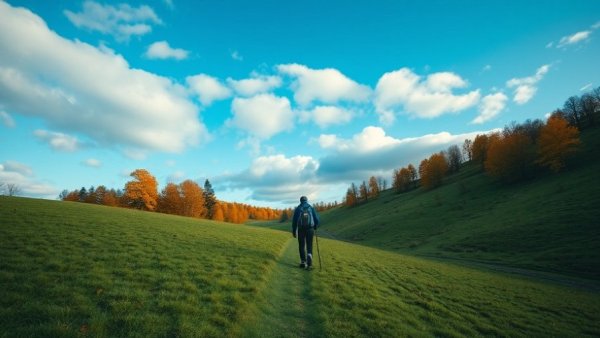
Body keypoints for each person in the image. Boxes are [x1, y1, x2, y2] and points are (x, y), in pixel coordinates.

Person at [292, 196, 320, 269]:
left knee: (301, 245)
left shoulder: (298, 209)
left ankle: (303, 262)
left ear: (300, 201)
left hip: (301, 229)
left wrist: (294, 231)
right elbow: (316, 219)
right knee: (309, 245)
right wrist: (316, 226)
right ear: (307, 200)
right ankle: (309, 262)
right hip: (310, 229)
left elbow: (294, 221)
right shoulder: (311, 208)